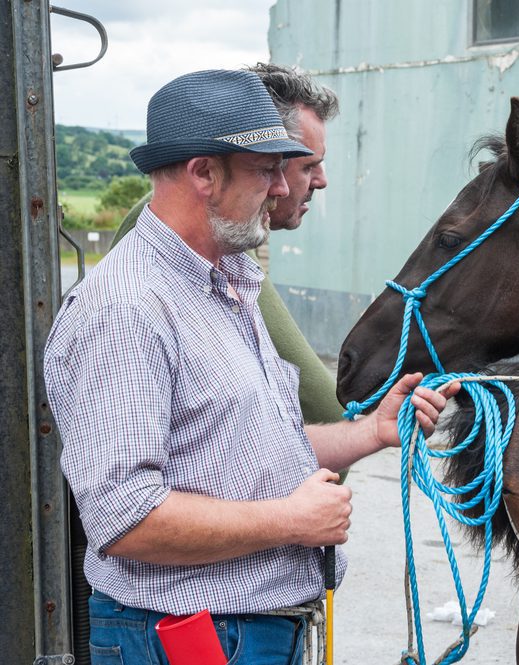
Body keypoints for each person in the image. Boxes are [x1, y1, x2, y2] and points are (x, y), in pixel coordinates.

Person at [44, 69, 457, 665]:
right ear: (204, 173)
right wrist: (290, 520)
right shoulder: (126, 309)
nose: (282, 189)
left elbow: (252, 450)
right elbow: (124, 520)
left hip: (235, 633)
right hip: (189, 638)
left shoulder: (224, 284)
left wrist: (371, 432)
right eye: (266, 170)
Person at [113, 63, 341, 428]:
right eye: (305, 165)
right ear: (206, 173)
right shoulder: (207, 234)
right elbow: (323, 411)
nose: (321, 181)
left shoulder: (226, 236)